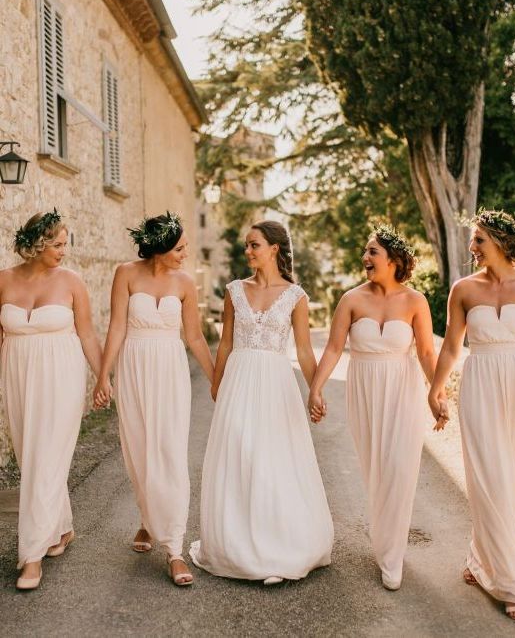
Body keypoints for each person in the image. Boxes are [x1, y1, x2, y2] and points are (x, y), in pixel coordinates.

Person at [189, 220, 333, 583]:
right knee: (240, 458)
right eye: (247, 245)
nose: (248, 251)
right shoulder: (234, 290)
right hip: (238, 380)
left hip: (275, 385)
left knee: (273, 460)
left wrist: (315, 390)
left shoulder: (296, 296)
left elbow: (302, 350)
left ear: (274, 248)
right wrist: (217, 383)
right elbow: (224, 342)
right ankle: (238, 546)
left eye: (254, 245)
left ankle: (276, 549)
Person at [428, 209, 515, 621]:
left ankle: (481, 561)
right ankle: (512, 583)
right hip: (478, 383)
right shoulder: (463, 289)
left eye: (478, 239)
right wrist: (436, 387)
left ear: (498, 241)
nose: (472, 247)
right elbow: (450, 346)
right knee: (485, 477)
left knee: (508, 480)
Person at [308, 225, 442, 591]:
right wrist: (316, 389)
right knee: (376, 469)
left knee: (400, 466)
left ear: (394, 261)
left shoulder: (416, 302)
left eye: (373, 253)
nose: (365, 258)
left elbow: (428, 353)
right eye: (366, 252)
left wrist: (437, 393)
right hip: (365, 388)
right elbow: (334, 348)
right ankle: (385, 541)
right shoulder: (351, 300)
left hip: (403, 387)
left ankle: (392, 554)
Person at [93, 212, 214, 586]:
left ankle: (174, 548)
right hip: (133, 366)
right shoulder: (126, 273)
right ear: (160, 249)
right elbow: (116, 326)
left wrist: (216, 379)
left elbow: (194, 337)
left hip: (170, 369)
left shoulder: (186, 283)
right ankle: (148, 520)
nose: (184, 254)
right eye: (179, 248)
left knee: (170, 452)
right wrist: (103, 376)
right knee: (139, 450)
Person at [0, 210, 103, 590]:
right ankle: (61, 529)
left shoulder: (72, 282)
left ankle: (30, 556)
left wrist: (104, 376)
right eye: (57, 244)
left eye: (65, 243)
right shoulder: (4, 280)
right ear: (37, 244)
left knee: (47, 456)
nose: (63, 250)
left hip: (62, 375)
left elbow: (88, 335)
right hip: (18, 377)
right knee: (32, 455)